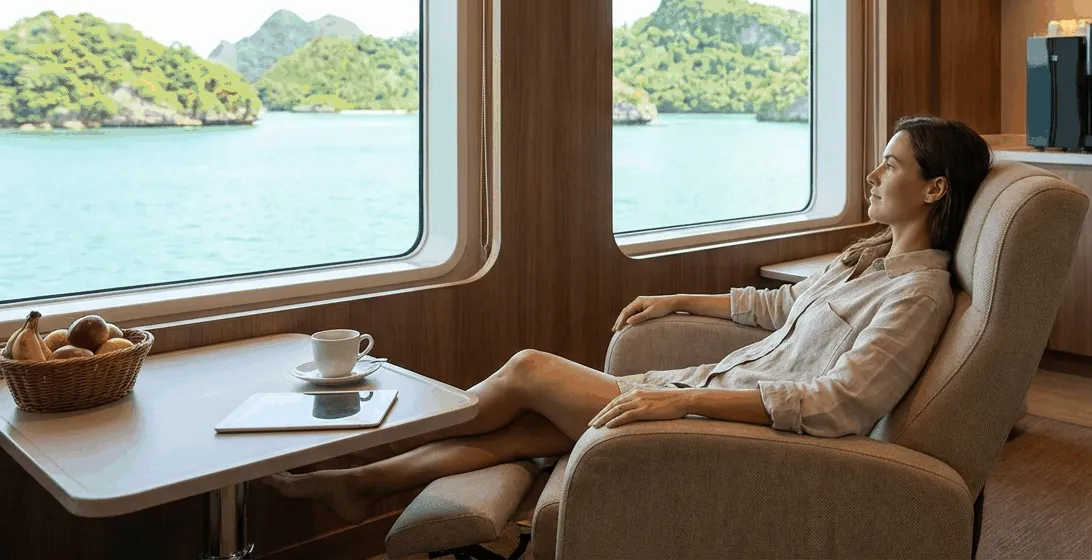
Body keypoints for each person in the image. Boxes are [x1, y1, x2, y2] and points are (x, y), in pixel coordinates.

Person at [263, 115, 992, 523]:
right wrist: (680, 299)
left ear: (933, 188)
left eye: (890, 166)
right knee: (521, 432)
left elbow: (842, 403)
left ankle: (375, 435)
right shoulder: (864, 260)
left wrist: (683, 399)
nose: (872, 176)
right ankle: (362, 483)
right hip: (704, 386)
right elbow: (776, 308)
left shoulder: (918, 295)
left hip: (718, 424)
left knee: (528, 370)